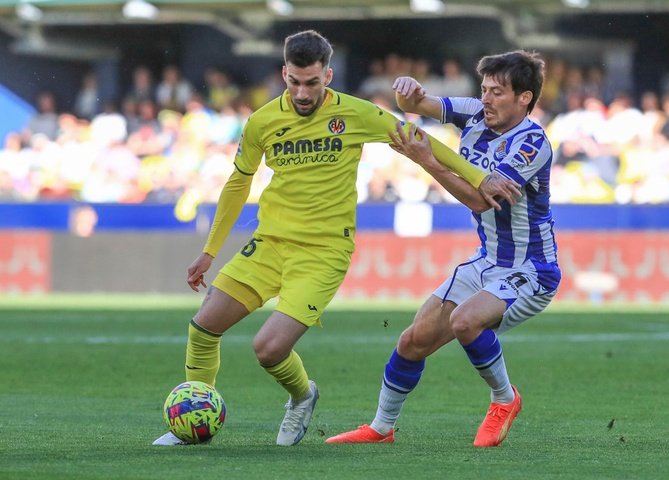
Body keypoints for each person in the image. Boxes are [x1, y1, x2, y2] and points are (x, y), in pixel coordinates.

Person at [152, 30, 515, 447]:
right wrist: (208, 251)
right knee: (202, 328)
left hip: (324, 252)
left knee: (268, 350)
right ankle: (192, 422)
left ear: (327, 75)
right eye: (294, 82)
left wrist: (479, 176)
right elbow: (238, 184)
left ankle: (302, 396)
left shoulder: (358, 114)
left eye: (312, 83)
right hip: (269, 243)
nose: (303, 93)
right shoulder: (262, 121)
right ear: (284, 74)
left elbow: (423, 142)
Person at [325, 50, 561, 448]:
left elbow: (481, 200)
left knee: (466, 322)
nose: (486, 98)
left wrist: (427, 162)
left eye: (497, 92)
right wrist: (406, 92)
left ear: (524, 98)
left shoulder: (530, 144)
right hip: (485, 261)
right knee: (412, 340)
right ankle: (382, 429)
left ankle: (505, 399)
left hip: (531, 268)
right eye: (484, 89)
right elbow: (416, 105)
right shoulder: (474, 112)